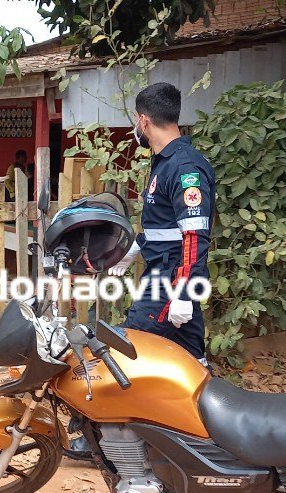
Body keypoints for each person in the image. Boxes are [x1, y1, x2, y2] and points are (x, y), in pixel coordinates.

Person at [109, 82, 215, 367]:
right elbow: (166, 226)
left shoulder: (183, 168)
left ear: (143, 120)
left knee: (128, 348)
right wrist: (136, 248)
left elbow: (194, 235)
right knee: (193, 361)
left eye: (135, 120)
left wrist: (182, 292)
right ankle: (202, 409)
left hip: (170, 282)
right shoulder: (165, 163)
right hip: (168, 273)